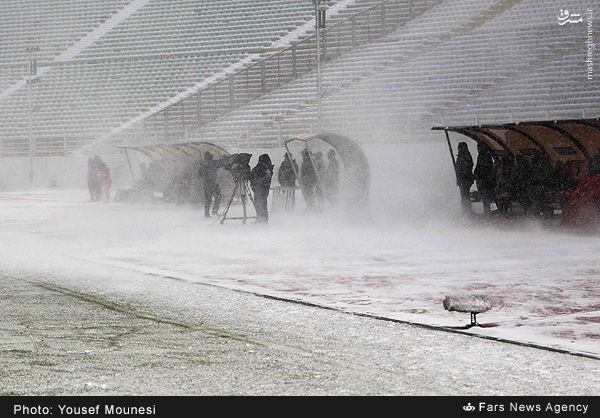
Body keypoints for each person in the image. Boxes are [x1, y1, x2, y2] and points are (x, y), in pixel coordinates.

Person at [249, 154, 274, 223]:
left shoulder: (262, 168)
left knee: (260, 203)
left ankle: (262, 218)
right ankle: (262, 218)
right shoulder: (267, 168)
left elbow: (256, 177)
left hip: (260, 189)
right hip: (262, 189)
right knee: (261, 203)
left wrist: (255, 182)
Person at [199, 151, 224, 217]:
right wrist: (225, 158)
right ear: (210, 157)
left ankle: (207, 213)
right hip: (214, 183)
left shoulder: (203, 164)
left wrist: (206, 177)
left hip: (207, 184)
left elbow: (200, 174)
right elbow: (221, 163)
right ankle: (214, 211)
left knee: (208, 199)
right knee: (218, 196)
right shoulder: (213, 163)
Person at [473, 143, 495, 214]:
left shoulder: (483, 155)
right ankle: (487, 211)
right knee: (485, 196)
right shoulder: (485, 155)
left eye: (478, 148)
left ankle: (487, 211)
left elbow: (482, 168)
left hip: (484, 181)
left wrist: (478, 175)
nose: (477, 150)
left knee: (485, 196)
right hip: (484, 181)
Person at [455, 142, 474, 214]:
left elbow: (465, 168)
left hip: (464, 180)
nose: (457, 149)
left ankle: (467, 211)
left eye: (458, 147)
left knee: (465, 196)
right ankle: (466, 211)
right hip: (465, 180)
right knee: (465, 196)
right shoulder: (465, 155)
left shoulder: (464, 156)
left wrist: (462, 176)